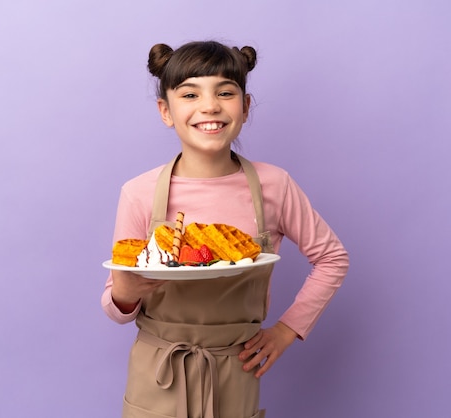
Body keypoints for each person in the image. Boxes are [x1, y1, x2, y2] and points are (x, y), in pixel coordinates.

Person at [101, 40, 349, 418]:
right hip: (158, 371)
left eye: (226, 92)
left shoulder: (275, 185)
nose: (210, 105)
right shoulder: (139, 193)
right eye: (190, 94)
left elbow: (332, 258)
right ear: (165, 111)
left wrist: (285, 331)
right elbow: (116, 309)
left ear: (245, 108)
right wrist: (123, 292)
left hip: (236, 367)